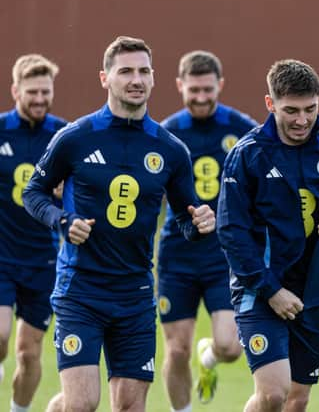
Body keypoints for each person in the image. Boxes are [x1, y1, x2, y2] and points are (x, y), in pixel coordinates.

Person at [22, 36, 216, 412]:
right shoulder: (75, 138)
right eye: (125, 71)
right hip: (81, 289)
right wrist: (62, 221)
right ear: (104, 78)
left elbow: (185, 218)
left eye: (144, 71)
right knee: (82, 404)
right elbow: (34, 193)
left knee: (130, 406)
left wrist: (201, 222)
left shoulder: (171, 150)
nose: (136, 79)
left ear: (154, 78)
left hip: (135, 293)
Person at [217, 59, 319, 412]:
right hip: (259, 290)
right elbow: (231, 232)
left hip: (312, 293)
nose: (302, 120)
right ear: (270, 103)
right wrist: (270, 290)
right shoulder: (248, 154)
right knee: (273, 394)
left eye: (310, 109)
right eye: (291, 110)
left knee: (297, 399)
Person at [157, 50, 256, 411]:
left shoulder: (241, 128)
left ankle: (209, 358)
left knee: (230, 347)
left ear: (221, 86)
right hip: (177, 254)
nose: (201, 98)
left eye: (208, 90)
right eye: (193, 90)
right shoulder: (166, 133)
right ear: (180, 85)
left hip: (222, 255)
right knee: (176, 349)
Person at [0, 54, 66, 412]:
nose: (39, 99)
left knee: (29, 353)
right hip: (2, 255)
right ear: (15, 91)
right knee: (0, 335)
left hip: (44, 261)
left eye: (45, 92)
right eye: (32, 92)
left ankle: (18, 409)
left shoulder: (63, 135)